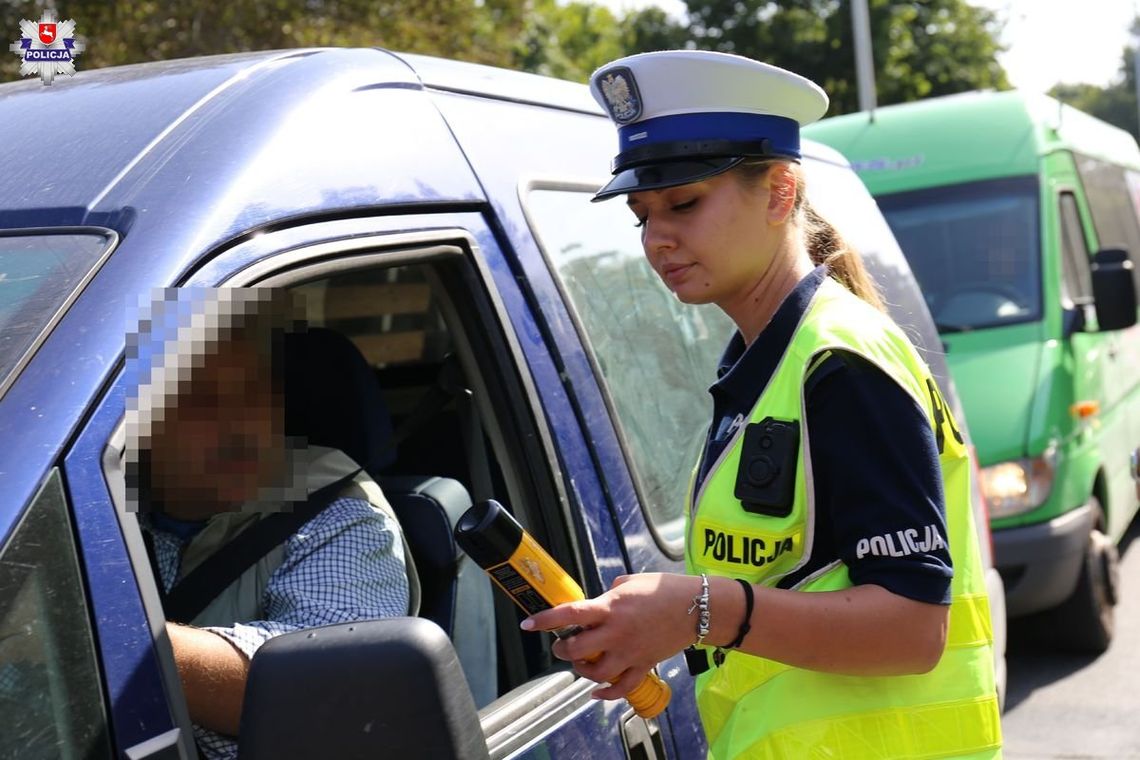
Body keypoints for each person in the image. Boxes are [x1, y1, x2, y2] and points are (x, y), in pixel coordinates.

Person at [522, 51, 1002, 759]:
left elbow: (912, 628)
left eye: (684, 203)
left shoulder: (840, 363)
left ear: (780, 191)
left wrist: (695, 611)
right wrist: (657, 626)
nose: (657, 237)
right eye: (641, 215)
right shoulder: (770, 360)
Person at [125, 288, 412, 760]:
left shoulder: (339, 513)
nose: (240, 425)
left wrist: (88, 632)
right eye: (201, 399)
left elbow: (324, 692)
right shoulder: (92, 509)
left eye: (254, 392)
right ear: (137, 423)